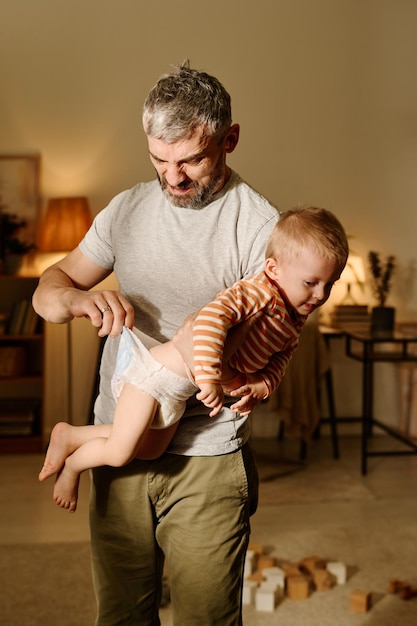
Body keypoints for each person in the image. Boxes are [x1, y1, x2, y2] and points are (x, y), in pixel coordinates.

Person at [31, 60, 296, 625]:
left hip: (207, 457)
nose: (173, 178)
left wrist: (254, 384)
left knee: (206, 618)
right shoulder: (125, 210)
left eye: (192, 160)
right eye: (159, 160)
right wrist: (77, 299)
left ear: (230, 140)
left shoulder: (261, 230)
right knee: (122, 615)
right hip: (116, 440)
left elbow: (275, 341)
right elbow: (48, 291)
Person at [38, 206, 348, 514]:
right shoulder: (258, 293)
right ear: (273, 268)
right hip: (153, 376)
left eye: (329, 284)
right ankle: (73, 468)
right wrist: (210, 376)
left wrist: (262, 386)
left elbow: (282, 357)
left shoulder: (294, 320)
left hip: (177, 393)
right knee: (120, 451)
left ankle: (71, 435)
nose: (320, 295)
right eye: (310, 283)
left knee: (148, 447)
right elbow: (211, 319)